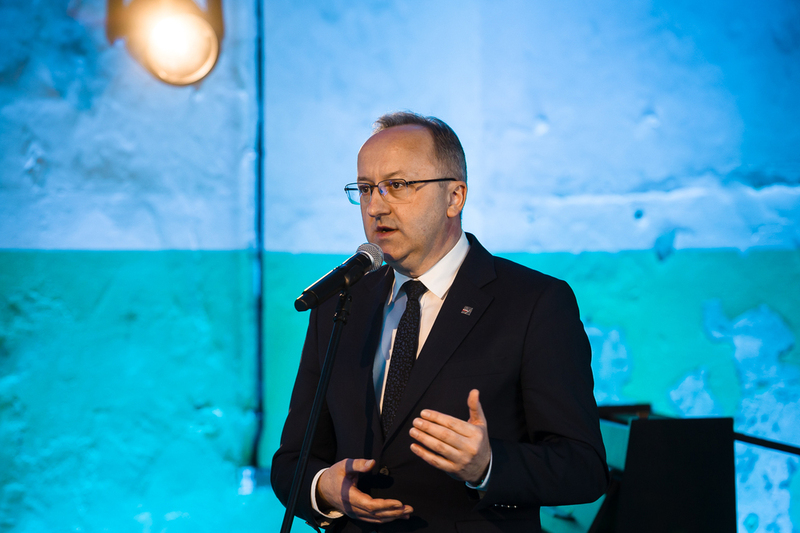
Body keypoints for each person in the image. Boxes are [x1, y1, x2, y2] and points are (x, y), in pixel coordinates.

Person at [271, 112, 608, 532]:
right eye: (364, 189)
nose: (375, 206)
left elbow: (583, 467)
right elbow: (292, 460)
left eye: (397, 185)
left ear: (455, 197)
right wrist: (323, 488)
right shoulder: (340, 303)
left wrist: (488, 465)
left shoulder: (535, 303)